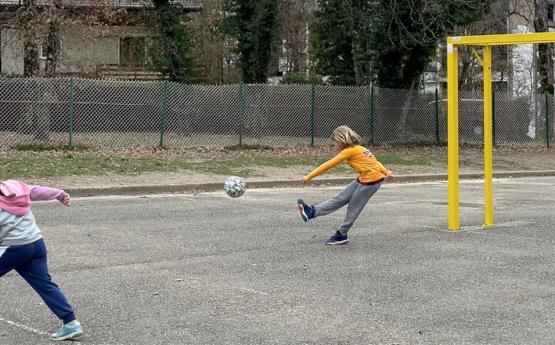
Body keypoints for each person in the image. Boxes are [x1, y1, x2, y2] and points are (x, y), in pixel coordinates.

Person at [0, 180, 83, 341]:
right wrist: (60, 194)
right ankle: (71, 323)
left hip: (14, 248)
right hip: (36, 244)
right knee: (45, 284)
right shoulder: (14, 187)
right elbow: (37, 190)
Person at [298, 125, 393, 245]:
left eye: (335, 143)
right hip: (363, 179)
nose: (335, 146)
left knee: (353, 209)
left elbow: (328, 164)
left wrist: (308, 177)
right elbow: (375, 163)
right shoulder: (360, 148)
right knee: (340, 198)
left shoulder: (349, 151)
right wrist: (386, 172)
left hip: (370, 183)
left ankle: (341, 235)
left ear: (341, 139)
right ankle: (312, 212)